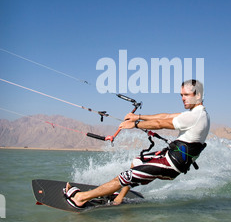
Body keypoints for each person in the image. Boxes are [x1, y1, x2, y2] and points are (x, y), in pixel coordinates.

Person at [64, 79, 210, 208]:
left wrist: (135, 125)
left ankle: (80, 198)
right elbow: (165, 116)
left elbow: (161, 123)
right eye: (181, 95)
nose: (183, 98)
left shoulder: (195, 117)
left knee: (123, 177)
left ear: (197, 95)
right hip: (169, 158)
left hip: (169, 164)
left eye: (186, 95)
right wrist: (137, 116)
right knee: (136, 162)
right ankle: (120, 197)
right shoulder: (197, 114)